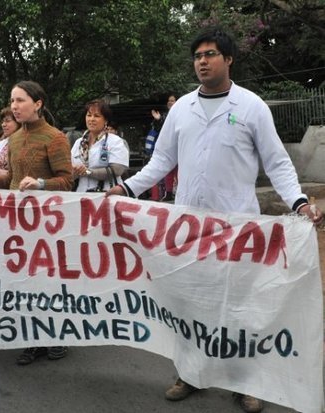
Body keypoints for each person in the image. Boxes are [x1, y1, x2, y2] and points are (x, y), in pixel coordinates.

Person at [107, 27, 324, 413]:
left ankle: (245, 381)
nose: (202, 61)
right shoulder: (181, 110)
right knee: (190, 302)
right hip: (188, 228)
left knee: (239, 306)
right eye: (197, 56)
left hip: (238, 229)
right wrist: (126, 190)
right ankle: (190, 374)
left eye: (210, 54)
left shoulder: (252, 106)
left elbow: (277, 163)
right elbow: (161, 162)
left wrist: (300, 201)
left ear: (229, 60)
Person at [0, 80, 73, 364]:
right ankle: (31, 339)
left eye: (20, 101)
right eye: (12, 100)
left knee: (49, 282)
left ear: (38, 103)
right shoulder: (12, 141)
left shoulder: (55, 138)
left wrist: (41, 183)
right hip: (17, 223)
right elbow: (11, 179)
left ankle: (56, 336)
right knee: (23, 281)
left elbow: (67, 181)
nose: (14, 106)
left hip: (47, 224)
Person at [71, 99, 129, 192]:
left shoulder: (115, 141)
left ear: (105, 120)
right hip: (81, 195)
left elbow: (117, 170)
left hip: (108, 194)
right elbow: (70, 171)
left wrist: (88, 172)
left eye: (96, 116)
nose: (91, 119)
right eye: (89, 115)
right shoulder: (78, 143)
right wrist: (75, 172)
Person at [150, 94, 177, 201]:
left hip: (180, 146)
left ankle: (179, 191)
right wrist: (158, 119)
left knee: (180, 170)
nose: (171, 102)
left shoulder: (183, 113)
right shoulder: (164, 115)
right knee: (169, 170)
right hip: (169, 147)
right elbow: (159, 129)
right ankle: (169, 192)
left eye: (174, 100)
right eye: (169, 101)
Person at [0, 107, 20, 178]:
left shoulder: (26, 142)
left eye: (7, 121)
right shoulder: (0, 144)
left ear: (18, 122)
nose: (3, 124)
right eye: (3, 121)